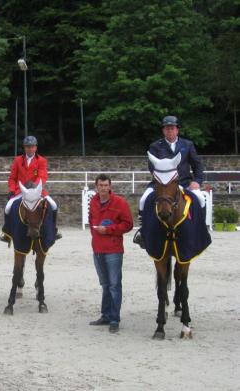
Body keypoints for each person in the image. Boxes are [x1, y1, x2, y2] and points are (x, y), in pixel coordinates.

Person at [133, 115, 205, 247]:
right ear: (163, 130)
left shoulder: (187, 145)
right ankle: (142, 232)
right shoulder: (155, 146)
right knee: (143, 200)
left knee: (200, 199)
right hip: (161, 184)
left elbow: (197, 165)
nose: (169, 131)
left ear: (177, 130)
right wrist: (163, 181)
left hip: (184, 182)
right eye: (167, 128)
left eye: (172, 128)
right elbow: (152, 166)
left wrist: (197, 181)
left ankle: (201, 231)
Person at [89, 174, 133, 333]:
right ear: (96, 187)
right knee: (105, 285)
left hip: (113, 250)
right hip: (98, 250)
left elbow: (128, 224)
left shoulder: (120, 203)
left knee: (114, 285)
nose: (103, 188)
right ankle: (106, 315)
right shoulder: (93, 202)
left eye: (105, 185)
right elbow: (91, 218)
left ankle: (114, 319)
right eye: (100, 185)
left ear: (110, 186)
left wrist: (108, 230)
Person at [0, 135, 61, 243]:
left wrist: (33, 188)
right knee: (8, 207)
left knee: (53, 205)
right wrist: (12, 189)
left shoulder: (42, 161)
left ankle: (54, 230)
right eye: (28, 147)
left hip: (37, 190)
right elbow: (12, 178)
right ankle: (7, 232)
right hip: (21, 191)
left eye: (32, 146)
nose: (30, 149)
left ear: (36, 147)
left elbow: (42, 176)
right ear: (24, 148)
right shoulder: (18, 160)